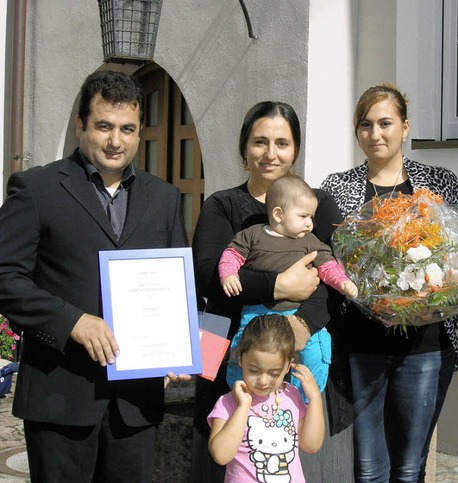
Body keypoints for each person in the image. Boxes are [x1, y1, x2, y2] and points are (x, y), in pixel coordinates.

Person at [0, 70, 189, 482]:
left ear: (140, 132)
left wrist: (183, 346)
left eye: (127, 129)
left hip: (135, 405)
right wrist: (72, 321)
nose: (115, 141)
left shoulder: (165, 198)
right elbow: (5, 278)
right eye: (104, 126)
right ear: (81, 125)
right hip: (60, 395)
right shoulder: (36, 189)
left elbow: (179, 286)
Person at [190, 101, 354, 483]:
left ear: (295, 149)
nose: (270, 153)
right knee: (223, 457)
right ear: (244, 149)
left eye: (282, 142)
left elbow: (332, 275)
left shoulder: (316, 203)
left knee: (301, 459)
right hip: (224, 340)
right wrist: (276, 285)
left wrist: (302, 325)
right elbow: (205, 276)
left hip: (305, 339)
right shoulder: (222, 205)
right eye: (259, 142)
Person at [320, 83, 458, 482]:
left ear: (405, 127)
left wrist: (427, 294)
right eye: (366, 125)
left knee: (409, 469)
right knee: (368, 470)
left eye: (386, 123)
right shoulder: (335, 189)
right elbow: (326, 260)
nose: (376, 134)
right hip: (359, 346)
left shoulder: (439, 182)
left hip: (424, 348)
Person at [220, 175, 358, 399]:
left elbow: (327, 265)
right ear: (278, 214)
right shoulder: (253, 235)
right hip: (258, 313)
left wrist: (342, 282)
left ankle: (301, 399)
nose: (309, 223)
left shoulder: (310, 241)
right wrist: (228, 275)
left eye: (311, 217)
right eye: (303, 216)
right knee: (245, 351)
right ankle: (241, 395)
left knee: (314, 349)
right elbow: (231, 254)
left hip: (298, 312)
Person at [208, 313, 324, 482]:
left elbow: (311, 445)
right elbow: (220, 455)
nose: (263, 381)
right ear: (240, 359)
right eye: (254, 370)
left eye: (274, 373)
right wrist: (242, 407)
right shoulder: (228, 402)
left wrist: (314, 399)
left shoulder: (291, 395)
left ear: (287, 367)